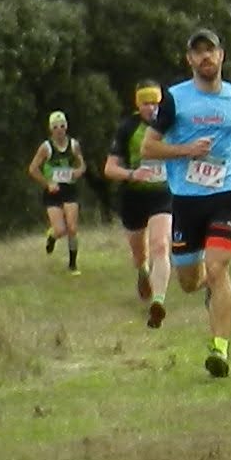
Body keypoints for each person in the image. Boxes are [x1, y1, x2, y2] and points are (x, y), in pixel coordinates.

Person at [146, 29, 231, 373]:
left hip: (224, 195)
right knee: (190, 281)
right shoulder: (175, 99)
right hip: (186, 201)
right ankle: (206, 285)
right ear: (189, 59)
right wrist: (185, 150)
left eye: (211, 50)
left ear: (222, 55)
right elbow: (149, 147)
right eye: (198, 52)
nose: (205, 57)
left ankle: (219, 349)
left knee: (219, 268)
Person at [100, 81, 173, 310]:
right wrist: (133, 174)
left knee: (160, 245)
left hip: (163, 193)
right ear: (138, 105)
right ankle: (143, 272)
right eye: (146, 104)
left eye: (155, 103)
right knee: (139, 254)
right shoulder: (127, 128)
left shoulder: (171, 125)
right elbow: (109, 169)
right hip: (133, 196)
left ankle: (158, 301)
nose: (151, 108)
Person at [30, 112, 88, 270]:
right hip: (53, 191)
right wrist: (47, 183)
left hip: (70, 188)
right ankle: (52, 236)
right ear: (50, 129)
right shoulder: (46, 147)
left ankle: (73, 264)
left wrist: (78, 171)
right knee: (60, 229)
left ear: (66, 127)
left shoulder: (74, 145)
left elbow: (82, 165)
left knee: (72, 227)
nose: (59, 130)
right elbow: (33, 169)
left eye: (62, 126)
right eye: (55, 127)